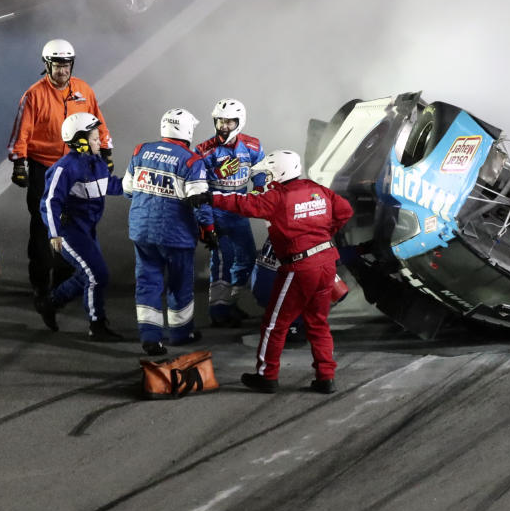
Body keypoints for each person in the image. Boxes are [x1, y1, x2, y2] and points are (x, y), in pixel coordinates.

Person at [189, 150, 353, 394]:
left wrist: (211, 198)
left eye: (268, 173)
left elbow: (243, 204)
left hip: (299, 267)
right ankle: (326, 377)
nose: (266, 178)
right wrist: (321, 232)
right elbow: (345, 211)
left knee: (274, 325)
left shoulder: (278, 197)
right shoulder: (317, 189)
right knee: (318, 324)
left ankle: (267, 376)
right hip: (327, 263)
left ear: (279, 172)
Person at [6, 39, 115, 303]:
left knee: (73, 225)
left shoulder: (83, 91)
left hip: (76, 169)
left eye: (66, 65)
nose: (62, 71)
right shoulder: (34, 95)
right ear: (47, 65)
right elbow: (22, 131)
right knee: (43, 227)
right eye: (57, 65)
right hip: (43, 169)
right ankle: (40, 283)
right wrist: (19, 162)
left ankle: (65, 282)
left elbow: (96, 122)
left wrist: (105, 151)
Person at [123, 108, 217, 356]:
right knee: (179, 285)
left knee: (147, 283)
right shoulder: (191, 161)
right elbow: (199, 201)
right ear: (186, 130)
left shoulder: (140, 151)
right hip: (176, 235)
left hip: (141, 231)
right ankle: (180, 333)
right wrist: (208, 230)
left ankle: (151, 337)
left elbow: (128, 190)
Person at [38, 113, 124, 339]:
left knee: (88, 273)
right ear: (81, 141)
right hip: (69, 231)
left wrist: (136, 186)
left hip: (86, 230)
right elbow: (49, 202)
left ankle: (50, 302)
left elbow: (108, 186)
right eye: (95, 138)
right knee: (98, 274)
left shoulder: (97, 163)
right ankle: (97, 325)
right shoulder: (64, 168)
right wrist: (54, 234)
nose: (101, 142)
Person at [195, 98, 267, 327]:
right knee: (223, 258)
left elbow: (261, 171)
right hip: (216, 209)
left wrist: (258, 189)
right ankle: (218, 310)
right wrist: (217, 172)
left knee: (247, 258)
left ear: (240, 122)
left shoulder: (253, 146)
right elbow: (195, 184)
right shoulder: (204, 150)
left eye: (229, 122)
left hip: (239, 209)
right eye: (220, 121)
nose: (223, 126)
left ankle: (230, 302)